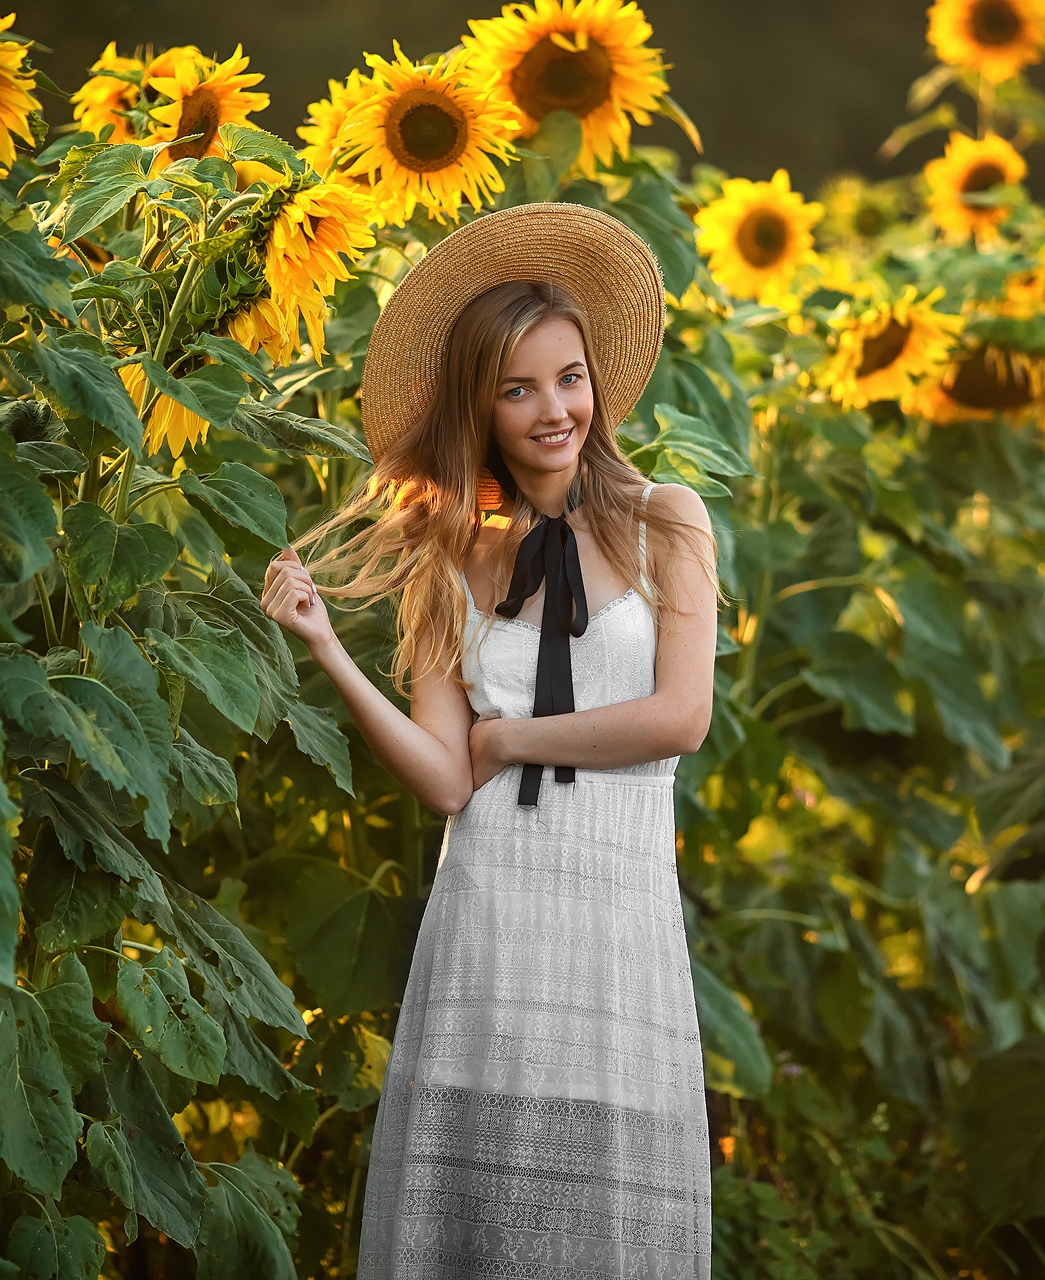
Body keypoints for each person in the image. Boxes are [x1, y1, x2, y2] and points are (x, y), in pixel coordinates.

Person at [260, 202, 718, 1278]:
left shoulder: (668, 519)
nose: (553, 408)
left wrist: (513, 738)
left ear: (597, 379)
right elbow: (441, 777)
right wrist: (329, 648)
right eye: (517, 389)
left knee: (602, 1231)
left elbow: (679, 718)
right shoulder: (450, 556)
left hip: (617, 930)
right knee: (475, 1232)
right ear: (480, 409)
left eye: (569, 377)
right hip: (492, 928)